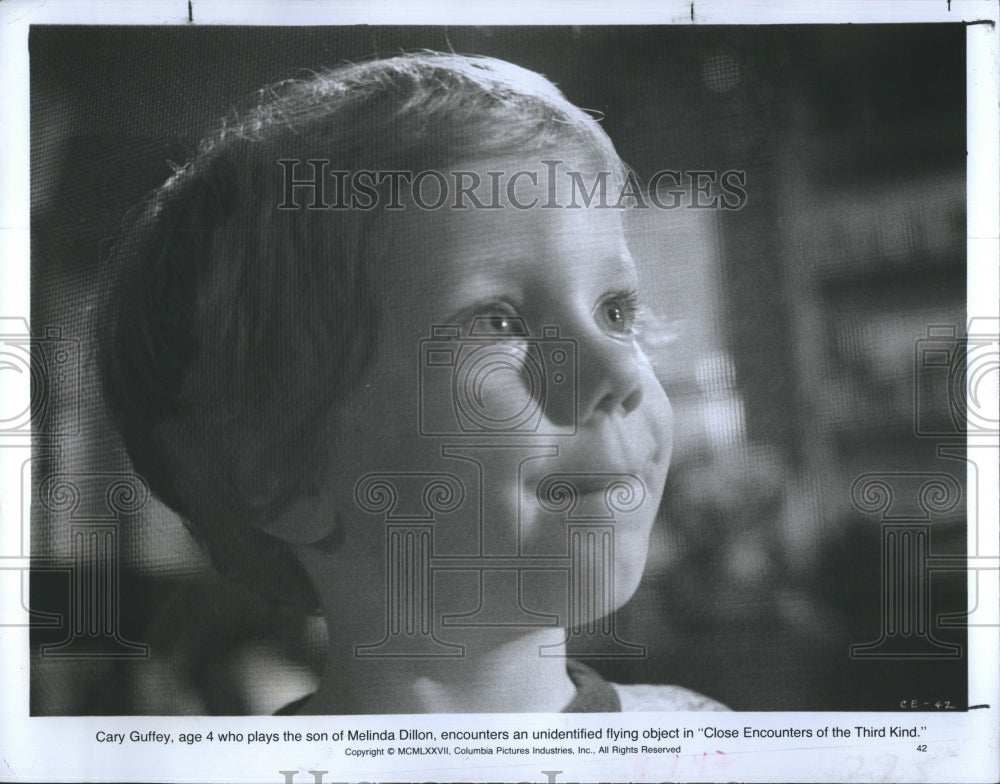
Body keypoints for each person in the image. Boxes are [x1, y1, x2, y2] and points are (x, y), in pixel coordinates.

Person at [98, 52, 727, 713]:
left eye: (616, 311)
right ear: (274, 468)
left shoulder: (707, 743)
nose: (622, 372)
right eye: (499, 320)